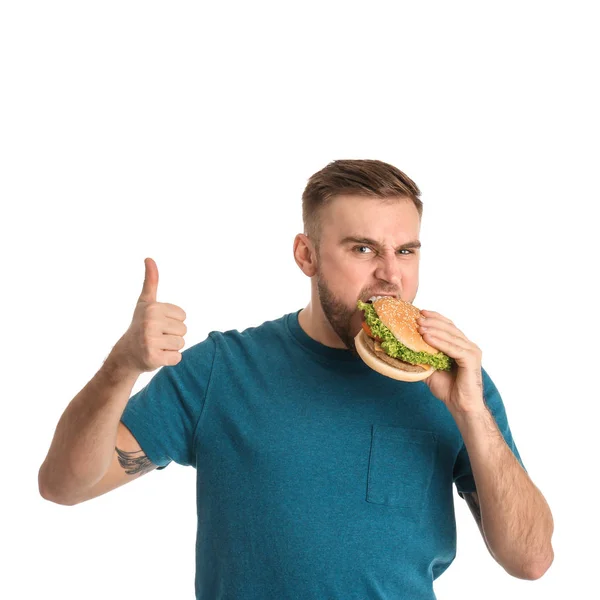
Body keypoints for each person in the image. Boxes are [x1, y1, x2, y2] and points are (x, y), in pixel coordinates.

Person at [38, 159, 554, 599]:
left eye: (406, 251)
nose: (390, 275)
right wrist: (120, 368)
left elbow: (531, 561)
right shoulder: (223, 368)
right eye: (363, 249)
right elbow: (63, 485)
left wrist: (471, 413)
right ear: (306, 255)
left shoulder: (459, 383)